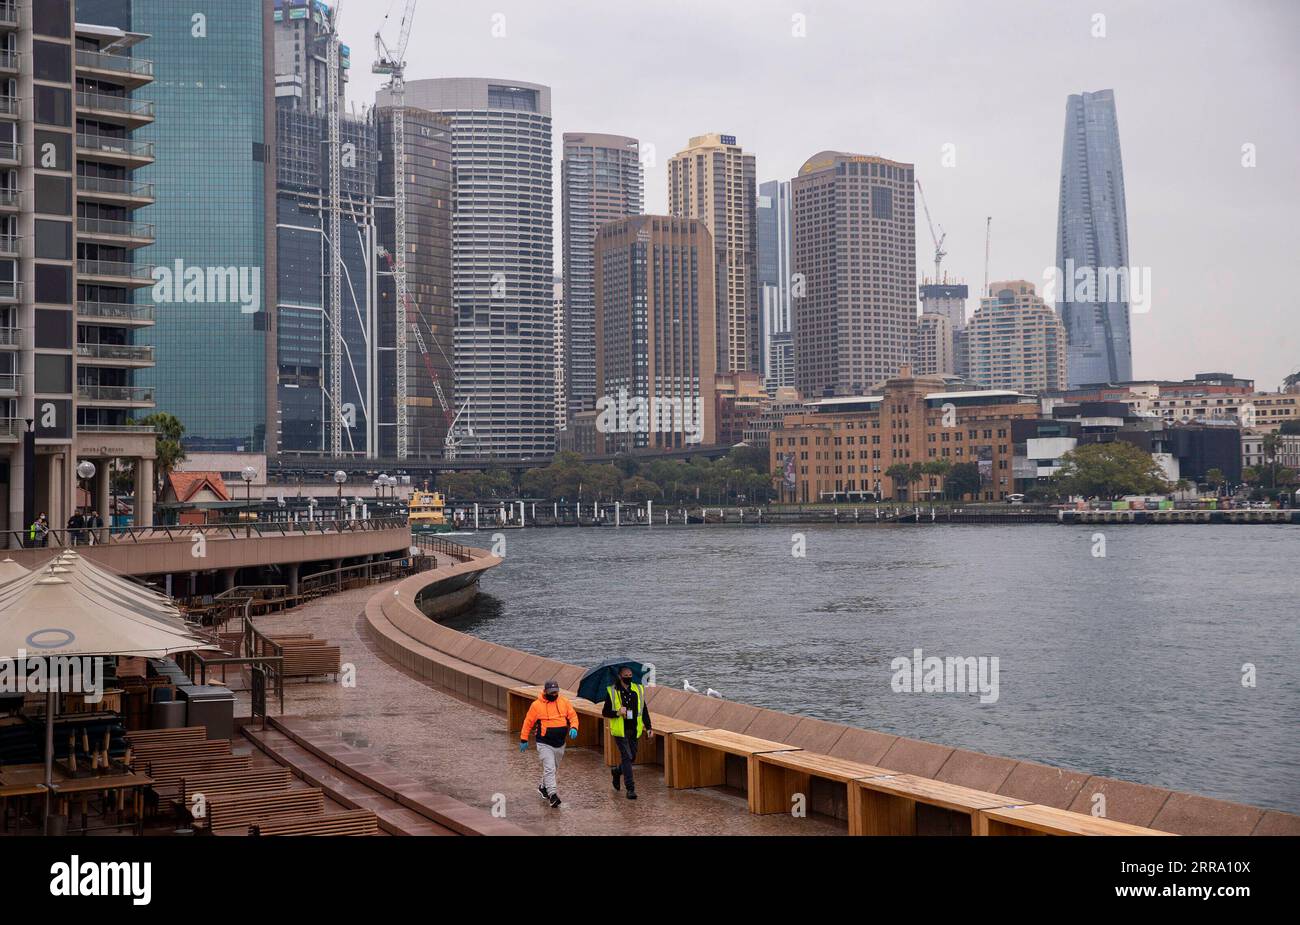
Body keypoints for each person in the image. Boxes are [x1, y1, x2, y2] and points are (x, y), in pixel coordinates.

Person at [518, 679, 578, 808]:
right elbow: (528, 722)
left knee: (553, 768)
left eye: (556, 692)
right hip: (544, 743)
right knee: (550, 768)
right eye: (551, 692)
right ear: (545, 691)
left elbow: (573, 716)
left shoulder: (564, 702)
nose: (554, 695)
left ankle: (543, 787)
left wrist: (574, 727)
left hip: (560, 743)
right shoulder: (536, 705)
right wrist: (524, 739)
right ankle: (553, 795)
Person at [601, 665, 652, 800]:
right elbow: (605, 712)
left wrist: (649, 727)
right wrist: (617, 712)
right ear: (620, 676)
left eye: (630, 675)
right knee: (627, 757)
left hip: (635, 729)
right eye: (626, 675)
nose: (629, 677)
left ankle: (617, 771)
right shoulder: (612, 691)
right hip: (620, 731)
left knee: (632, 757)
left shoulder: (638, 689)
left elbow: (644, 709)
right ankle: (630, 789)